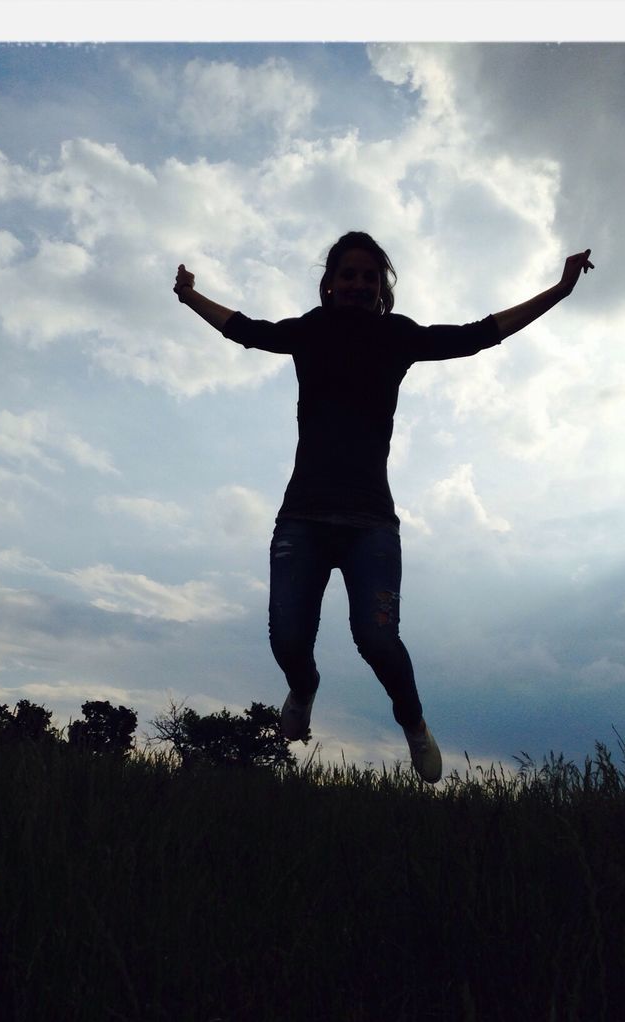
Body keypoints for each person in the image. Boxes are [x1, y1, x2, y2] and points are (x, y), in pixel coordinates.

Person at [173, 231, 594, 783]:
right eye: (347, 274)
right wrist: (189, 297)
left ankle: (414, 724)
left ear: (381, 288)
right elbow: (245, 331)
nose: (358, 284)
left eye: (369, 277)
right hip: (303, 516)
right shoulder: (310, 331)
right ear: (329, 284)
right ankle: (303, 690)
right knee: (288, 637)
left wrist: (559, 291)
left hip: (370, 522)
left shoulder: (397, 337)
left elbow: (477, 336)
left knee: (376, 638)